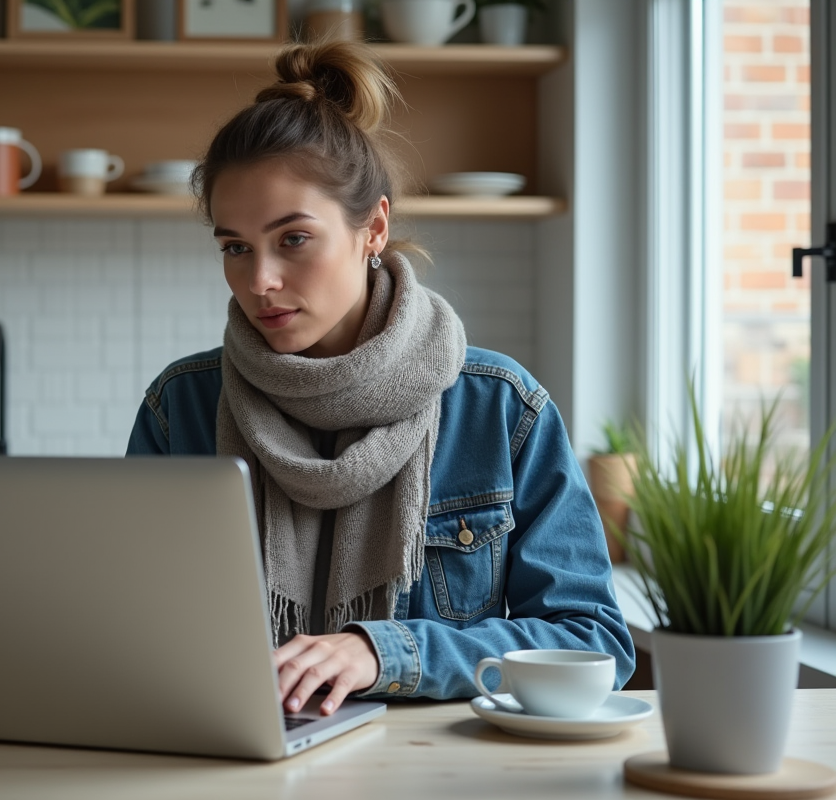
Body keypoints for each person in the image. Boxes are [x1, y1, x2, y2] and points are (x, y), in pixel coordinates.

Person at [126, 40, 634, 717]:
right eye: (235, 247)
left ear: (374, 229)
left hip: (435, 774)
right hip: (236, 760)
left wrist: (382, 652)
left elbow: (592, 641)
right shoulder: (181, 407)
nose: (260, 280)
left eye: (294, 239)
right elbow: (134, 632)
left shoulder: (499, 408)